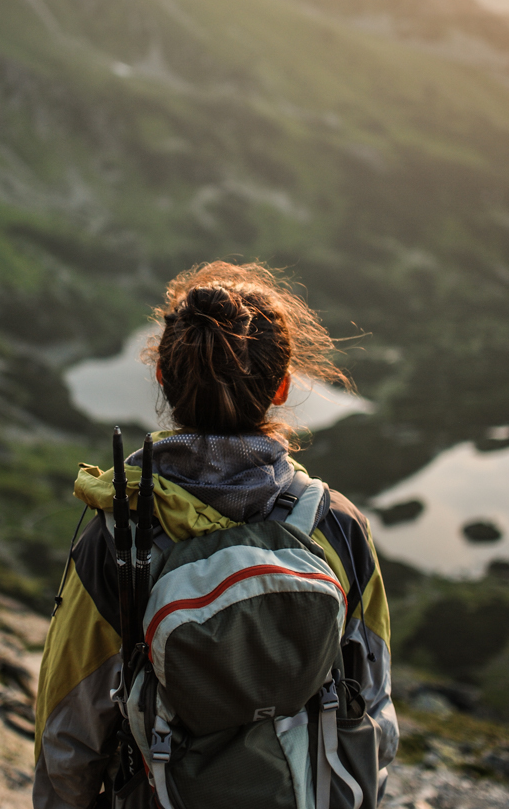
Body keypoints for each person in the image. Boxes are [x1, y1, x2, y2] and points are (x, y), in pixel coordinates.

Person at [34, 261, 398, 809]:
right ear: (280, 387)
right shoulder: (337, 526)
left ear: (162, 377)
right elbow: (372, 709)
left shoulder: (120, 534)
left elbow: (70, 728)